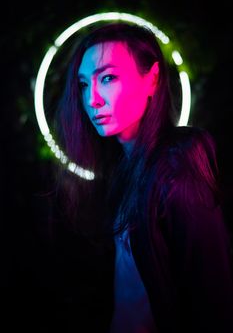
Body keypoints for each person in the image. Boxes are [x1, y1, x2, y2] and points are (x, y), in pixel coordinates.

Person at [52, 21, 233, 333]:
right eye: (83, 85)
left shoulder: (177, 172)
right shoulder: (127, 170)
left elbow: (213, 300)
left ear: (151, 81)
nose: (92, 99)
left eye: (107, 78)